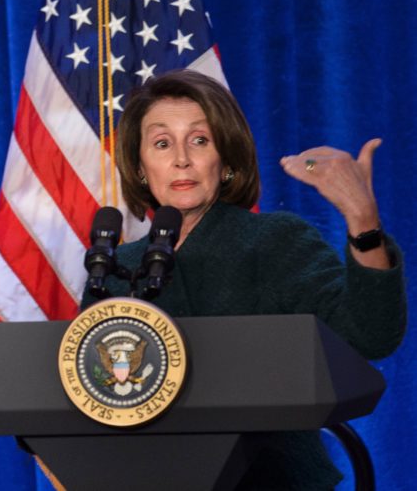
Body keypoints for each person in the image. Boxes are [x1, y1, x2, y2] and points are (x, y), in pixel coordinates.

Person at [84, 69, 406, 489]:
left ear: (226, 161)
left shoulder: (274, 241)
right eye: (162, 143)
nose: (181, 159)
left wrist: (363, 221)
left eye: (200, 140)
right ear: (141, 167)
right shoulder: (116, 267)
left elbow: (371, 334)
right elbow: (90, 387)